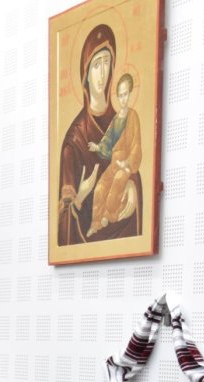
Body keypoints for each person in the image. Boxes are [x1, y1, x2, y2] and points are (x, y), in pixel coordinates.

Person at [56, 24, 142, 246]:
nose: (102, 73)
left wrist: (132, 186)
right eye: (96, 65)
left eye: (106, 63)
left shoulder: (123, 118)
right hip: (87, 232)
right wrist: (80, 196)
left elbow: (133, 157)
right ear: (85, 74)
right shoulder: (74, 140)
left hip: (122, 224)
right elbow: (63, 219)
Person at [87, 73, 141, 236]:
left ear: (130, 94)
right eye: (121, 95)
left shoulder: (133, 117)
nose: (124, 98)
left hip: (126, 164)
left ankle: (107, 216)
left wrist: (128, 163)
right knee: (99, 188)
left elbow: (136, 144)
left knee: (118, 181)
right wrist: (98, 147)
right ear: (117, 97)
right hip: (114, 163)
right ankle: (95, 223)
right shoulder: (116, 118)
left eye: (126, 94)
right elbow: (108, 138)